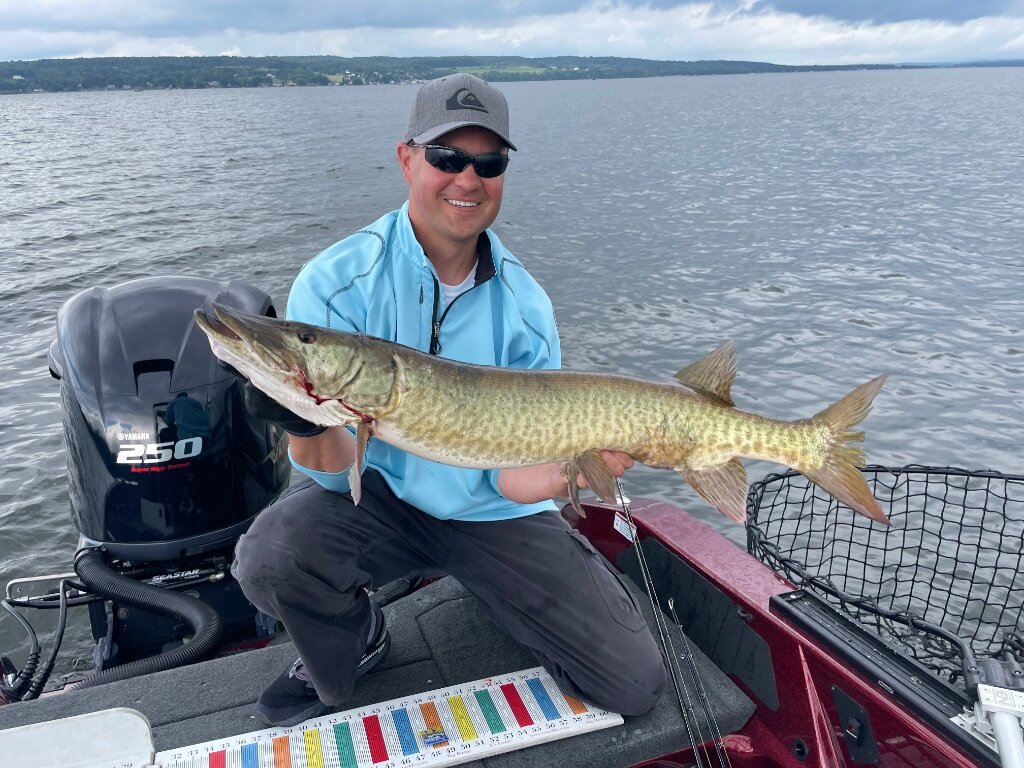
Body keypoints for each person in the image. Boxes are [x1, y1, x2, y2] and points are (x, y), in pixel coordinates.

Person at [231, 73, 666, 727]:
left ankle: (506, 596)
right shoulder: (338, 280)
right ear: (407, 159)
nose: (467, 178)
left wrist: (582, 465)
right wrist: (299, 416)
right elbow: (327, 468)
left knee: (633, 685)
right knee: (271, 557)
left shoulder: (526, 307)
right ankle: (359, 639)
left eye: (487, 162)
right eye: (446, 157)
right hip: (376, 496)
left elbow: (515, 476)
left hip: (492, 511)